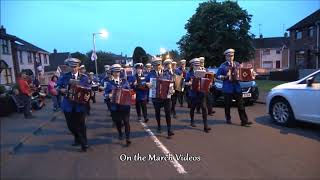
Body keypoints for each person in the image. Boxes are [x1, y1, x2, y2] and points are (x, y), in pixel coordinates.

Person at [56, 58, 91, 152]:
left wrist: (87, 96)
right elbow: (57, 86)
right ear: (68, 67)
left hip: (80, 105)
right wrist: (61, 89)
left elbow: (89, 89)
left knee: (81, 125)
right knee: (71, 126)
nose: (73, 68)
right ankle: (77, 137)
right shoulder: (64, 76)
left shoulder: (84, 77)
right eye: (71, 66)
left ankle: (84, 143)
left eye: (75, 66)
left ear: (78, 67)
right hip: (68, 104)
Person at [216, 48, 253, 127]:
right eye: (229, 56)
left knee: (241, 105)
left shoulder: (237, 64)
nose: (231, 57)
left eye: (232, 56)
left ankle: (244, 121)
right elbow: (217, 76)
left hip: (237, 87)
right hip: (227, 88)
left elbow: (242, 73)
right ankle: (228, 118)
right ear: (226, 57)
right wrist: (225, 76)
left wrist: (247, 75)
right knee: (227, 105)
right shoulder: (223, 65)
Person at [146, 58, 175, 138]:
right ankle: (159, 125)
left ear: (161, 65)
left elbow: (171, 82)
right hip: (156, 97)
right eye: (155, 65)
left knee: (168, 113)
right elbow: (144, 81)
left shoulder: (167, 72)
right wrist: (147, 84)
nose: (157, 67)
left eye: (158, 65)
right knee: (157, 112)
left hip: (166, 97)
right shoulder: (150, 74)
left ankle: (169, 130)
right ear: (153, 66)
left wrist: (172, 90)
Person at [105, 64, 132, 146]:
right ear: (112, 72)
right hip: (115, 106)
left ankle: (128, 139)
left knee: (126, 121)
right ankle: (120, 133)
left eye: (118, 71)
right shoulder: (109, 83)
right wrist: (109, 95)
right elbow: (105, 94)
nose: (117, 73)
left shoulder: (124, 81)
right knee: (118, 122)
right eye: (115, 72)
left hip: (125, 106)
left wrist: (131, 94)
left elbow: (129, 90)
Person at [185, 58, 211, 133]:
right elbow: (185, 82)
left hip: (202, 92)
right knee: (192, 108)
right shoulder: (189, 73)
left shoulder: (204, 71)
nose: (197, 66)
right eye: (195, 65)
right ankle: (192, 121)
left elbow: (208, 79)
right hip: (193, 93)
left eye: (198, 65)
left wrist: (209, 83)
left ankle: (205, 126)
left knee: (203, 107)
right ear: (192, 65)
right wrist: (189, 83)